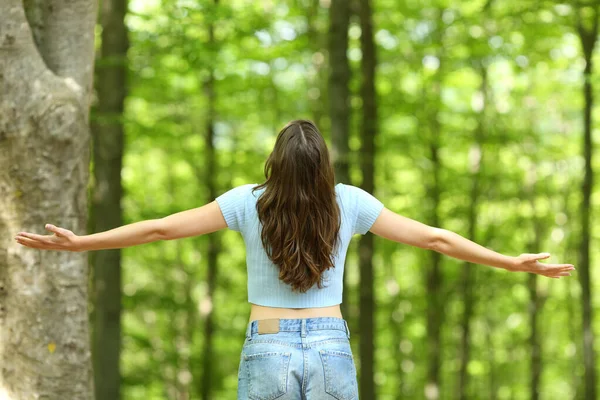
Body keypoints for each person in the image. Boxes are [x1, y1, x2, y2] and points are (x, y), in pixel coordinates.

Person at [14, 119, 575, 400]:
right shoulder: (351, 203)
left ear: (275, 164)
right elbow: (435, 239)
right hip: (332, 346)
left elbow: (160, 229)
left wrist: (80, 242)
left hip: (268, 343)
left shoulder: (245, 204)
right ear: (324, 166)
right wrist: (511, 262)